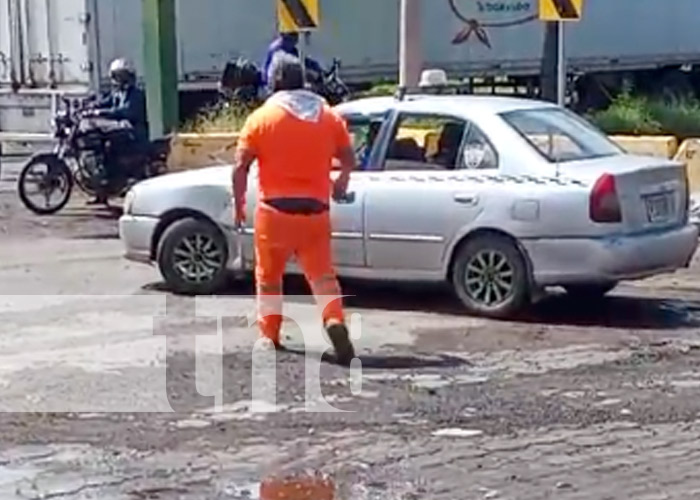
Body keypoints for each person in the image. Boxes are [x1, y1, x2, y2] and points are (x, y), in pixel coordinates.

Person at [232, 53, 357, 366]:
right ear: (303, 80)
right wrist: (341, 181)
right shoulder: (328, 116)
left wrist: (238, 206)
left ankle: (269, 335)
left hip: (274, 213)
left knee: (269, 276)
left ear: (273, 82)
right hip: (316, 211)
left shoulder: (261, 119)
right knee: (322, 276)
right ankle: (333, 319)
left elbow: (240, 167)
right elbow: (348, 156)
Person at [82, 57, 149, 204]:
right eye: (117, 75)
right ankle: (101, 189)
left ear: (129, 76)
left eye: (122, 75)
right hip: (123, 130)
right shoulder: (117, 93)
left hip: (134, 134)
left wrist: (102, 113)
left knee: (108, 145)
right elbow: (106, 102)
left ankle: (112, 181)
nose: (119, 79)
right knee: (97, 141)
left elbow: (125, 111)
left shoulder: (136, 94)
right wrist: (90, 106)